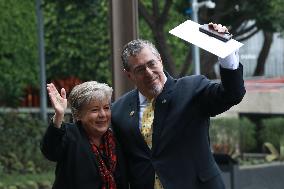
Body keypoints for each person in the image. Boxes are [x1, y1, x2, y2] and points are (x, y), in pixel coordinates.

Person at [111, 25, 246, 189]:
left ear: (160, 60)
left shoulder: (192, 88)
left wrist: (225, 49)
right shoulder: (118, 110)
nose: (148, 72)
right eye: (140, 69)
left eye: (151, 63)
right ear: (129, 75)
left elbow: (232, 94)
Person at [41, 81, 128, 189]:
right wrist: (59, 115)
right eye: (95, 110)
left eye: (106, 108)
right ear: (78, 115)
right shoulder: (70, 134)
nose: (102, 115)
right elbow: (50, 151)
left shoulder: (116, 139)